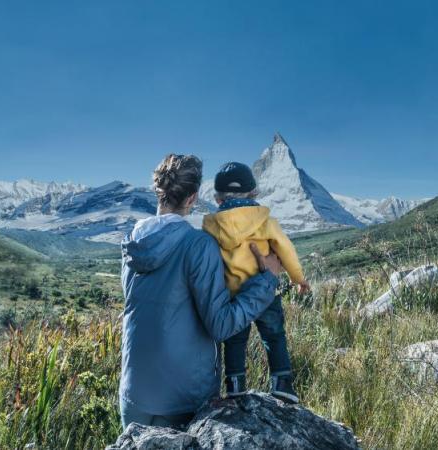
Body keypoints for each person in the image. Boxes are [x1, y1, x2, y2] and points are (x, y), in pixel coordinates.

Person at [119, 154, 284, 429]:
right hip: (183, 399)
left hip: (133, 394)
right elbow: (221, 325)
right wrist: (266, 280)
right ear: (192, 198)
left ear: (158, 192)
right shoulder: (198, 246)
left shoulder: (131, 244)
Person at [202, 162, 309, 403]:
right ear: (254, 193)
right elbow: (285, 249)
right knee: (274, 335)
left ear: (218, 199)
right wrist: (298, 278)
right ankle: (282, 383)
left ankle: (235, 384)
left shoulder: (211, 226)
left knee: (235, 339)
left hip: (231, 293)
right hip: (265, 289)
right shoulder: (265, 221)